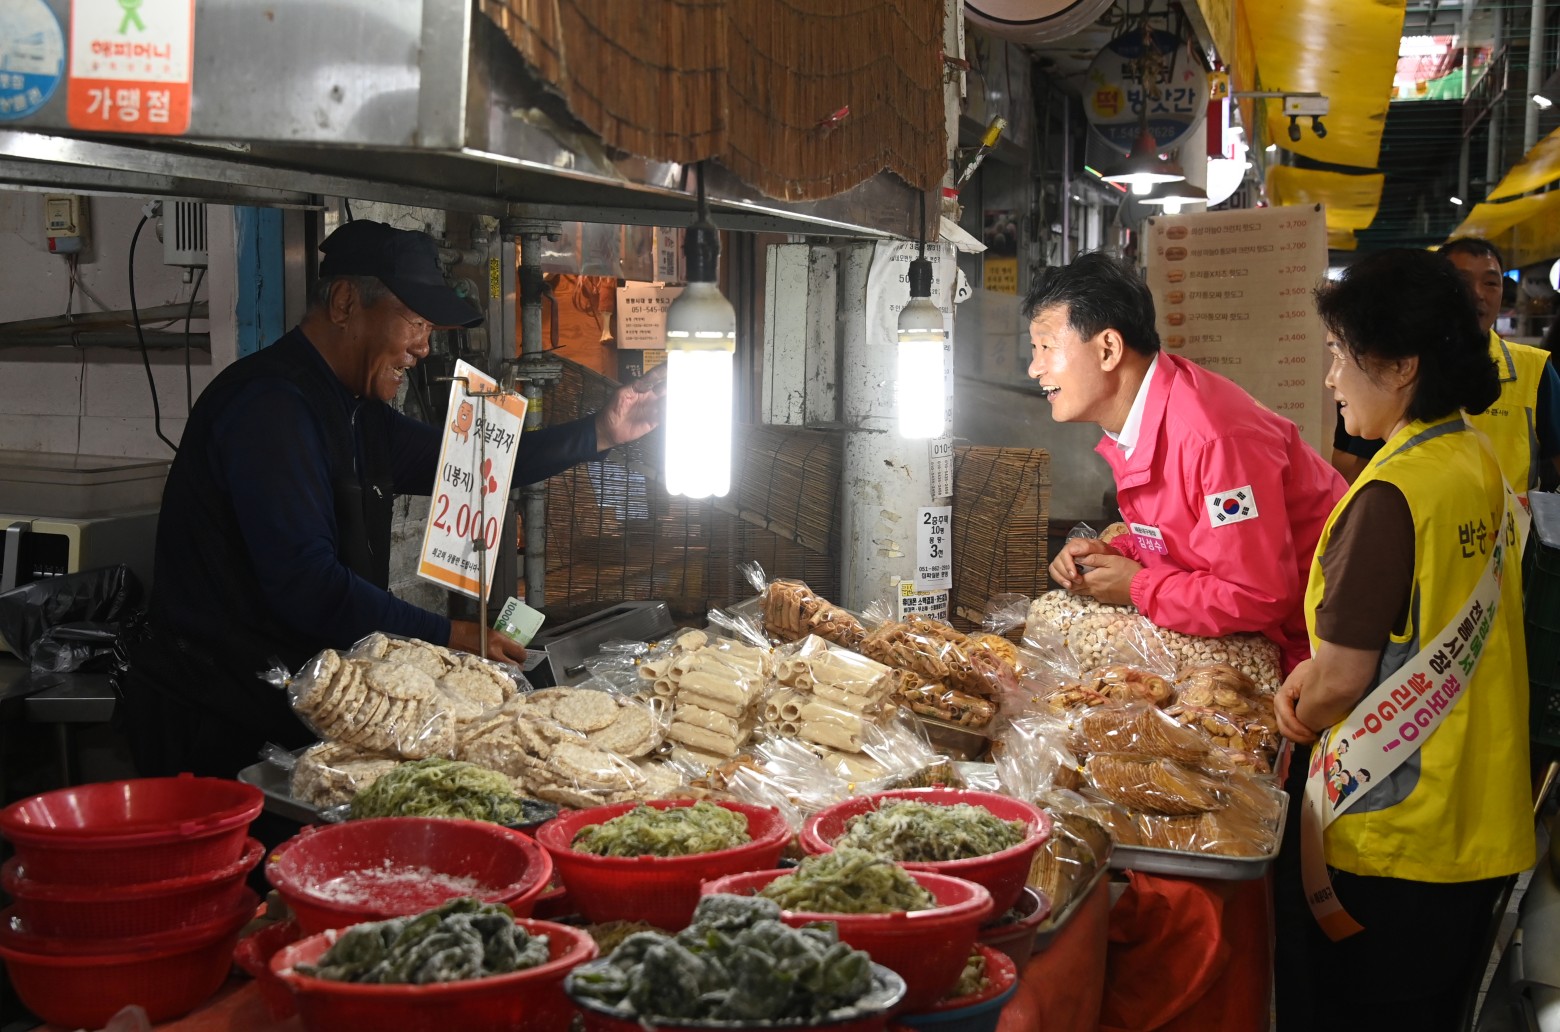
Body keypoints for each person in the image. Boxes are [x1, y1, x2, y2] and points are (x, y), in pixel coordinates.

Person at [118, 220, 666, 780]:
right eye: (416, 322)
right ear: (345, 303)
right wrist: (452, 636)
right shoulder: (270, 409)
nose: (423, 348)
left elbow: (478, 464)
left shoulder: (360, 412)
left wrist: (602, 431)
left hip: (287, 703)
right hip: (212, 720)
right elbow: (308, 586)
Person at [1273, 249, 1533, 1031]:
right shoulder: (1471, 457)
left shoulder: (1389, 495)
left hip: (1393, 838)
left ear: (1401, 365)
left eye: (1339, 355)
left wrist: (1297, 706)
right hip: (1476, 819)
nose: (1331, 379)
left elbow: (1340, 680)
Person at [1028, 251, 1346, 674]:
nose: (1035, 368)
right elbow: (1192, 536)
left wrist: (1137, 585)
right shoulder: (1143, 415)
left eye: (1046, 347)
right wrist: (1115, 554)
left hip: (1316, 651)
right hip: (1268, 642)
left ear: (1108, 349)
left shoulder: (1211, 438)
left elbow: (1258, 595)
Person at [1330, 236, 1560, 498]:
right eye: (1462, 282)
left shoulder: (1535, 370)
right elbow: (1355, 468)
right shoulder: (1389, 373)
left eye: (1491, 282)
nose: (1477, 294)